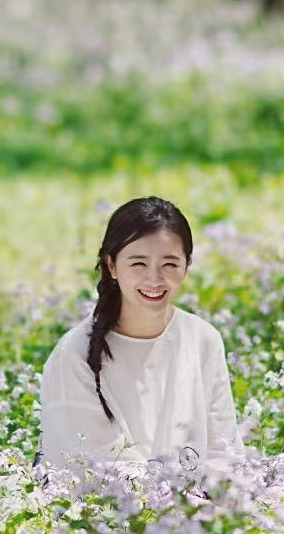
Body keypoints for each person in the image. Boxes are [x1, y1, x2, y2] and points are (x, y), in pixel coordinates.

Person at [39, 196, 242, 472]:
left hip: (195, 504)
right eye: (138, 264)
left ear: (187, 265)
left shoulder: (203, 339)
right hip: (110, 509)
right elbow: (95, 470)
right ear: (111, 265)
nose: (154, 280)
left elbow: (223, 450)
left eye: (169, 264)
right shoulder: (75, 352)